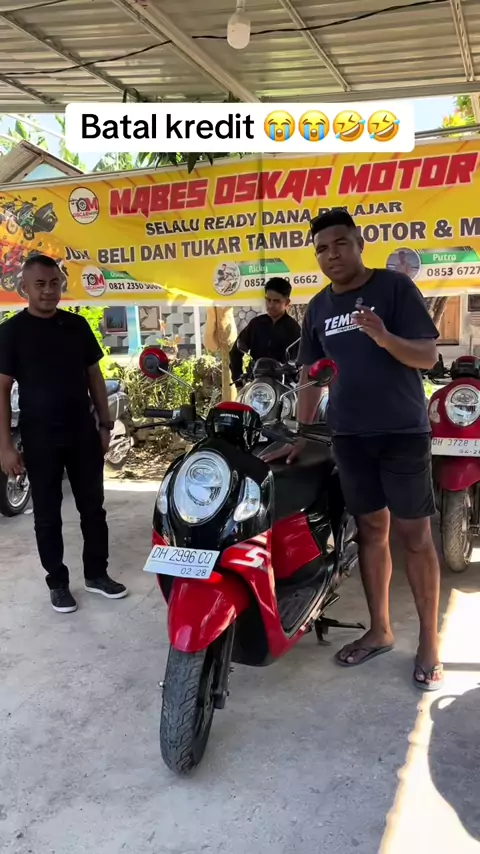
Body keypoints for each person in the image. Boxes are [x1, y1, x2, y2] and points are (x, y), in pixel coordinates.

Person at [264, 210, 443, 691]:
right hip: (349, 437)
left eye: (340, 243)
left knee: (415, 535)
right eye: (322, 249)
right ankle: (381, 630)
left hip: (402, 432)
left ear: (359, 243)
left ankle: (429, 642)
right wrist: (303, 434)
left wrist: (383, 336)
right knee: (370, 531)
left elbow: (428, 356)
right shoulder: (318, 307)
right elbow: (311, 376)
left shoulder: (394, 289)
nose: (332, 255)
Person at [0, 254, 128, 614]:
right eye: (40, 284)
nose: (48, 290)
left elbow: (94, 376)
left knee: (93, 508)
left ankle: (97, 574)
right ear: (24, 288)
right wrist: (5, 446)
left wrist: (105, 425)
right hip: (39, 435)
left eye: (54, 283)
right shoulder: (11, 332)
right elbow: (1, 390)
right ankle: (57, 582)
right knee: (47, 513)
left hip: (82, 431)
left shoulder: (76, 326)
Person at [229, 277, 301, 387]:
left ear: (287, 302)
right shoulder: (255, 324)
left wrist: (295, 373)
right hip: (255, 383)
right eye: (268, 300)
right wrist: (238, 382)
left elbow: (301, 361)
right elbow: (235, 352)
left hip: (283, 385)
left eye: (276, 301)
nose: (271, 305)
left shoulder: (294, 328)